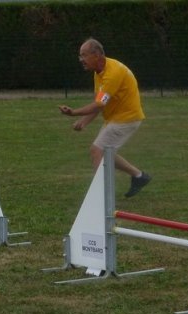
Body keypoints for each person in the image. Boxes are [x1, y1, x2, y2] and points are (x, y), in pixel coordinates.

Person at [59, 38, 151, 198]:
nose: (81, 60)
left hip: (126, 119)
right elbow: (100, 102)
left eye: (84, 55)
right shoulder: (99, 71)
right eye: (80, 56)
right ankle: (139, 176)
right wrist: (84, 121)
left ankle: (99, 197)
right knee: (105, 151)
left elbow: (99, 104)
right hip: (117, 118)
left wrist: (73, 113)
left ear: (97, 55)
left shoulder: (112, 73)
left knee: (97, 150)